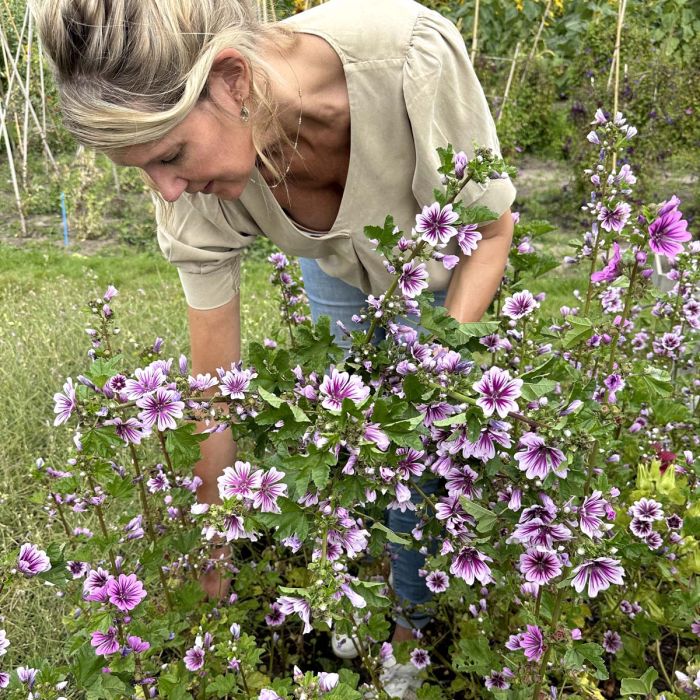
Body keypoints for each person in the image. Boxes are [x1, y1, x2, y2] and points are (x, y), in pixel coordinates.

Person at [36, 0, 515, 694]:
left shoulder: (410, 55)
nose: (166, 191)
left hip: (452, 268)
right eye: (142, 170)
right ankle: (361, 585)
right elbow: (214, 392)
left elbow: (490, 234)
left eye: (170, 156)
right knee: (353, 438)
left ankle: (410, 634)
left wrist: (434, 369)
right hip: (337, 261)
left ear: (233, 80)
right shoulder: (190, 191)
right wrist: (215, 545)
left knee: (425, 456)